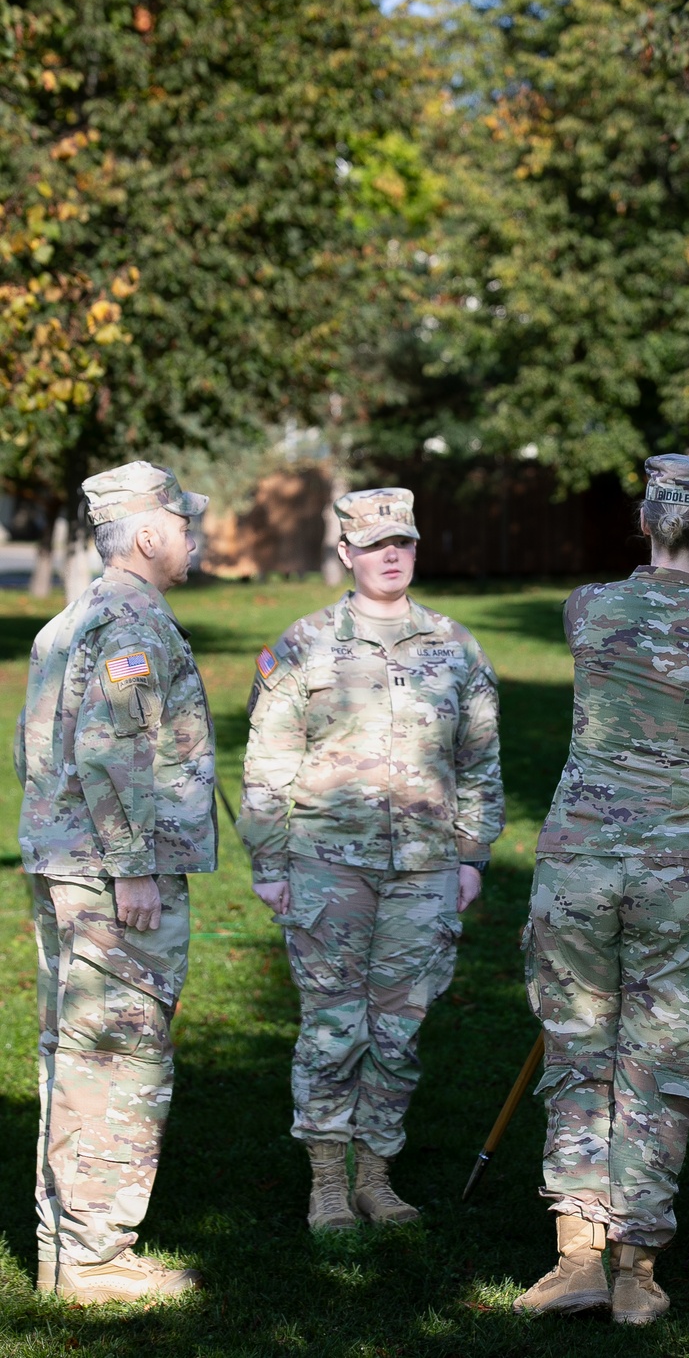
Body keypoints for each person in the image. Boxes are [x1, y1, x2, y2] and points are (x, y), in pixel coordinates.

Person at [514, 456, 689, 1326]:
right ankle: (637, 1268)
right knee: (658, 1064)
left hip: (579, 862)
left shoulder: (588, 610)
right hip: (683, 866)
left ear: (645, 525)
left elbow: (648, 601)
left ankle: (574, 1255)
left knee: (577, 1050)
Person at [238, 487, 504, 1231]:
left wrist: (473, 853)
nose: (392, 555)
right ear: (346, 553)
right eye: (376, 544)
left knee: (399, 1027)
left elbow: (480, 759)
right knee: (332, 1024)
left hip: (425, 867)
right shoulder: (303, 644)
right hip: (327, 863)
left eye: (405, 542)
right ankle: (327, 1180)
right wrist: (269, 862)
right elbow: (268, 761)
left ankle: (376, 1175)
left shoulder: (455, 646)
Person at [15, 462, 214, 1304]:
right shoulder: (133, 620)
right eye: (184, 523)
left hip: (70, 867)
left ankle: (71, 1248)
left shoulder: (75, 617)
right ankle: (95, 1258)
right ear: (146, 533)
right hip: (112, 879)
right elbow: (111, 750)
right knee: (119, 1059)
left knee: (76, 1055)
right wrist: (134, 868)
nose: (194, 537)